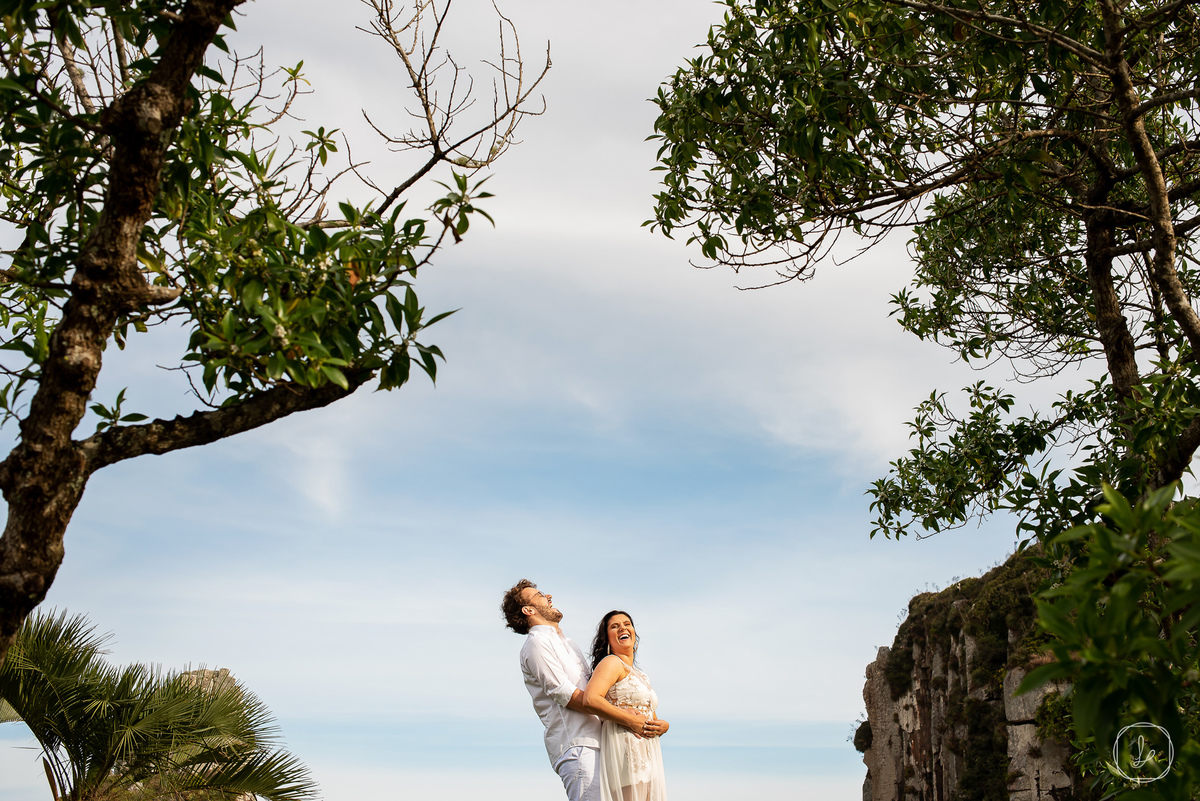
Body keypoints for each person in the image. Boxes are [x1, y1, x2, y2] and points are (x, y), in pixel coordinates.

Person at [501, 580, 657, 801]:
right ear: (528, 610)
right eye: (540, 595)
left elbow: (595, 691)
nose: (549, 596)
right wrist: (626, 718)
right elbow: (564, 693)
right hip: (579, 744)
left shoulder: (569, 644)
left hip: (603, 743)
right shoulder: (537, 643)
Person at [584, 610, 669, 801]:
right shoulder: (611, 663)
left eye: (627, 624)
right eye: (615, 626)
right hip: (626, 748)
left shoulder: (641, 675)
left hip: (648, 751)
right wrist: (630, 720)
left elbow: (649, 715)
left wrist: (663, 726)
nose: (622, 628)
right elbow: (590, 699)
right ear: (607, 638)